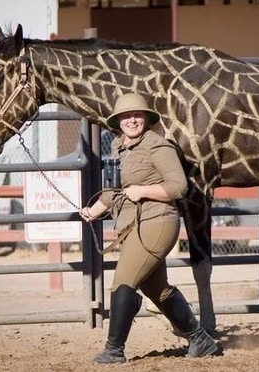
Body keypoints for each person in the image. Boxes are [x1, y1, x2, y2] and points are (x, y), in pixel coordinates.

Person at [80, 93, 218, 364]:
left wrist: (141, 190)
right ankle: (200, 340)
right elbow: (116, 191)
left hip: (157, 223)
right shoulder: (118, 147)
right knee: (158, 290)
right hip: (136, 226)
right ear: (118, 121)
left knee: (123, 282)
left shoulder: (158, 146)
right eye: (126, 116)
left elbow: (179, 186)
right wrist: (94, 210)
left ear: (146, 118)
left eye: (137, 115)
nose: (132, 120)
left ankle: (113, 350)